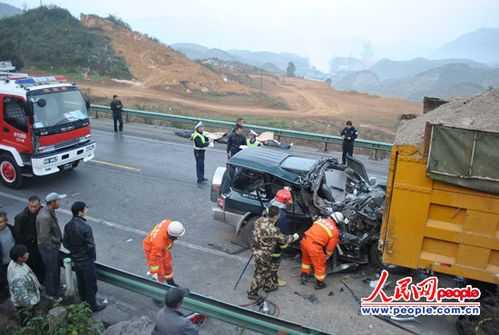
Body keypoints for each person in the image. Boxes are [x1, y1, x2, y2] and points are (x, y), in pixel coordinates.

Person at [247, 202, 299, 300]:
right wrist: (295, 236)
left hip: (256, 248)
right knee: (260, 273)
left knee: (267, 269)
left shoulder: (260, 220)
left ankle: (268, 286)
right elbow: (285, 239)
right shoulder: (273, 230)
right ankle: (252, 292)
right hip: (263, 254)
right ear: (276, 216)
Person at [63, 202, 106, 312]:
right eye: (85, 209)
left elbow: (65, 243)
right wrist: (90, 257)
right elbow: (90, 246)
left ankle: (83, 303)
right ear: (80, 212)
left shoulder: (68, 225)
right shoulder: (85, 227)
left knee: (81, 282)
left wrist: (74, 252)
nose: (87, 210)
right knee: (90, 284)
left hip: (76, 259)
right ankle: (93, 306)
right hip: (86, 260)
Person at [300, 212, 343, 289]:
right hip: (314, 246)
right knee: (320, 264)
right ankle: (319, 283)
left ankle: (304, 275)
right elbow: (330, 248)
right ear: (337, 222)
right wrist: (327, 256)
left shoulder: (320, 220)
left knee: (306, 260)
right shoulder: (335, 231)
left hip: (304, 241)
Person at [36, 192, 66, 300]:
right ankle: (52, 293)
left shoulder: (49, 211)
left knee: (55, 268)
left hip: (51, 248)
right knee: (51, 270)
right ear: (52, 202)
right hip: (48, 249)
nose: (59, 202)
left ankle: (56, 288)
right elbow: (44, 237)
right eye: (58, 201)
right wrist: (56, 242)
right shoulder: (45, 217)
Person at [7, 244, 42, 325]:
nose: (28, 254)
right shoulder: (18, 277)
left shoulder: (15, 262)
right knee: (28, 322)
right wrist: (32, 304)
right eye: (25, 253)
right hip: (26, 306)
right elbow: (22, 298)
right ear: (19, 258)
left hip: (30, 296)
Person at [143, 220, 185, 286]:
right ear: (171, 236)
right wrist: (154, 272)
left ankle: (171, 283)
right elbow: (153, 259)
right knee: (160, 271)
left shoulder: (168, 223)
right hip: (151, 248)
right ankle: (159, 284)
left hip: (162, 247)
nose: (177, 238)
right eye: (176, 237)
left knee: (167, 265)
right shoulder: (159, 244)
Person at [14, 196, 45, 283]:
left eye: (35, 206)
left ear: (39, 205)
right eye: (31, 206)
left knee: (41, 265)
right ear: (28, 205)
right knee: (33, 266)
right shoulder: (21, 217)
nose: (33, 209)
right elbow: (18, 236)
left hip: (39, 245)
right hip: (29, 247)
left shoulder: (42, 212)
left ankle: (42, 280)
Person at [270, 188, 294, 288]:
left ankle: (268, 277)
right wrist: (292, 238)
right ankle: (273, 280)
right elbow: (283, 239)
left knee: (265, 261)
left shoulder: (270, 206)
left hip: (265, 239)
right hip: (274, 245)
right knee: (274, 261)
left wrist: (286, 190)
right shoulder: (282, 217)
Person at [0, 211, 16, 301]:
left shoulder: (11, 229)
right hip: (2, 264)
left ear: (6, 221)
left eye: (1, 222)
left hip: (13, 261)